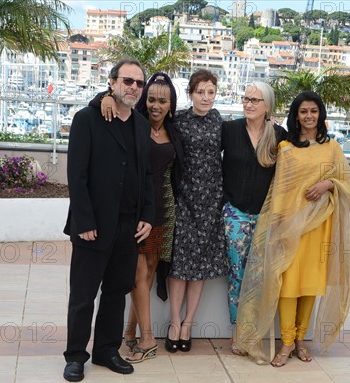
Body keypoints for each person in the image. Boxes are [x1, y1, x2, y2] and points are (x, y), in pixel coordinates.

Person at [235, 91, 350, 367]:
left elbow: (346, 183)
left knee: (310, 287)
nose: (308, 116)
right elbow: (280, 188)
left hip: (318, 226)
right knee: (288, 286)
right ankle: (287, 342)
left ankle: (302, 340)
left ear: (320, 115)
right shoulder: (286, 148)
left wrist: (328, 184)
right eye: (303, 111)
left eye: (313, 111)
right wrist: (279, 220)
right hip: (290, 226)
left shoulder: (332, 148)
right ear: (296, 116)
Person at [62, 58, 154, 382]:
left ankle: (106, 350)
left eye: (139, 83)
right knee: (84, 294)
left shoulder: (142, 126)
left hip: (129, 227)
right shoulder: (88, 118)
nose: (133, 88)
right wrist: (84, 221)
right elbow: (77, 174)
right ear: (112, 82)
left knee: (116, 292)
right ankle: (75, 356)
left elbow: (147, 175)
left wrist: (147, 216)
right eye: (127, 81)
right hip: (94, 226)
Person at [92, 73, 184, 363]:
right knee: (136, 273)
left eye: (163, 101)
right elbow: (106, 106)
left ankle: (129, 334)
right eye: (152, 99)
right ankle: (148, 339)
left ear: (171, 105)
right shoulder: (134, 124)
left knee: (147, 273)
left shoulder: (174, 130)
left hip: (164, 209)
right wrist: (102, 97)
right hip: (136, 210)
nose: (156, 105)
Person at [221, 82, 285, 355]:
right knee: (237, 276)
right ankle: (238, 333)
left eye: (255, 100)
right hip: (234, 214)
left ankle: (255, 334)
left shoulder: (280, 136)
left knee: (259, 278)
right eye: (246, 98)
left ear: (267, 106)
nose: (248, 104)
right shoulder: (229, 130)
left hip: (266, 217)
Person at [166, 69, 226, 353]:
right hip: (184, 200)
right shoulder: (177, 121)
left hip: (211, 202)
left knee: (199, 265)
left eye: (210, 92)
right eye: (200, 92)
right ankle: (174, 322)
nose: (205, 97)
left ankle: (189, 323)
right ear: (190, 94)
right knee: (179, 265)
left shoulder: (219, 120)